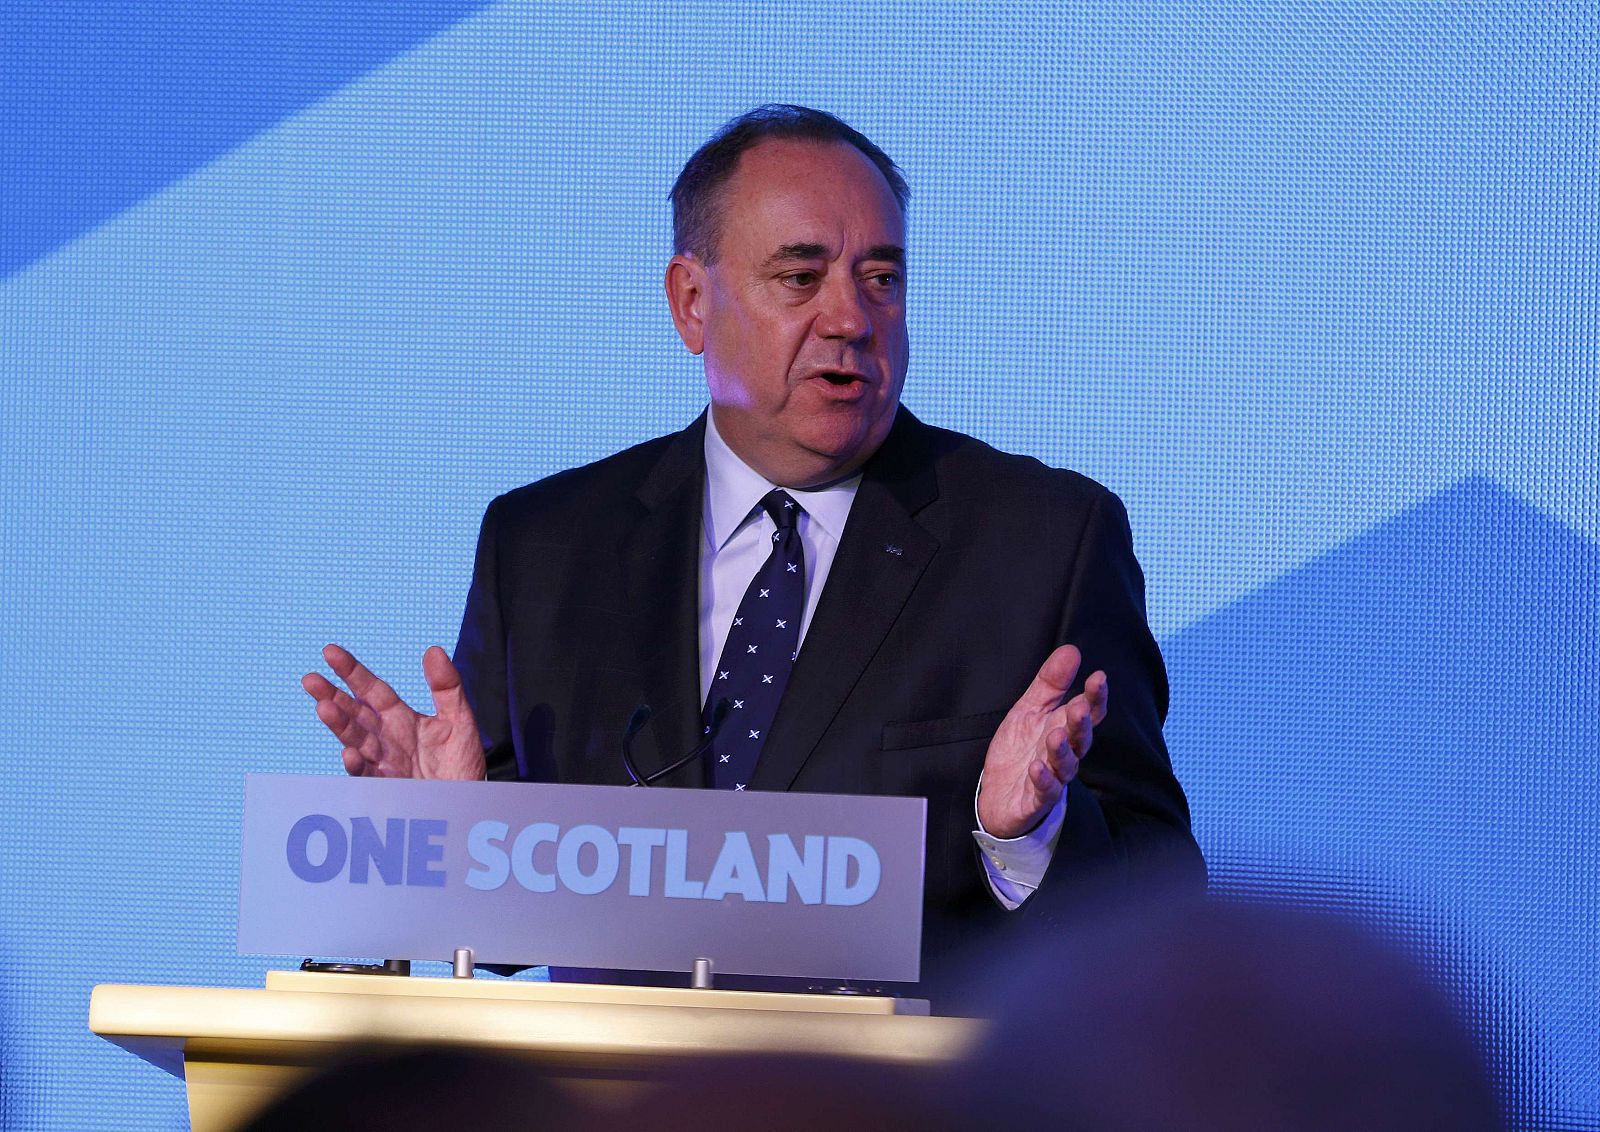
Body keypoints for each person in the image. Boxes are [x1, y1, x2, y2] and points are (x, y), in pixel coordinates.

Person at [303, 105, 1203, 1008]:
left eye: (882, 278)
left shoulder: (1042, 539)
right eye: (801, 276)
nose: (850, 317)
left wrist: (1027, 835)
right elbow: (508, 931)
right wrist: (454, 841)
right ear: (693, 303)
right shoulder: (544, 548)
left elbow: (1165, 911)